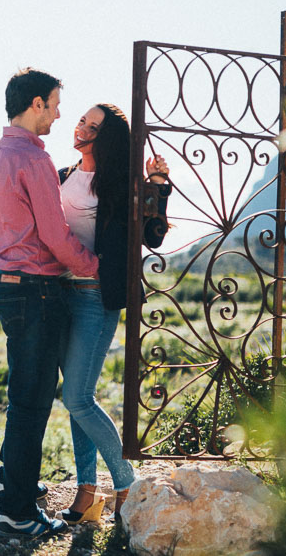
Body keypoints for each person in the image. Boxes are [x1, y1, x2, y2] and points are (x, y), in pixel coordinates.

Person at [0, 67, 99, 540]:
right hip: (36, 287)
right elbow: (54, 234)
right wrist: (95, 268)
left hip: (3, 280)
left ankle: (13, 486)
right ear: (36, 105)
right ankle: (17, 514)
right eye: (53, 104)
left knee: (21, 395)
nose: (58, 114)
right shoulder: (33, 160)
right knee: (32, 403)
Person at [55, 104, 170, 525]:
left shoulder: (121, 183)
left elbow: (153, 236)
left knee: (77, 397)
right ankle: (87, 492)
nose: (82, 128)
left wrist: (157, 184)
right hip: (60, 293)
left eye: (93, 126)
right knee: (77, 400)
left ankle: (126, 483)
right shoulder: (64, 176)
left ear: (108, 139)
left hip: (94, 295)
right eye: (82, 120)